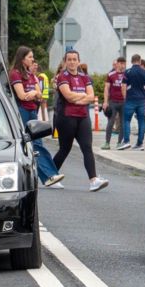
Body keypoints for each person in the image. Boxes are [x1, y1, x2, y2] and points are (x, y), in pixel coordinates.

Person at [10, 47, 65, 188]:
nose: (32, 59)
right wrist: (33, 93)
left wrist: (34, 93)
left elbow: (39, 95)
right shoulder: (15, 74)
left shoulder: (31, 74)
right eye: (29, 57)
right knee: (31, 145)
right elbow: (22, 96)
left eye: (32, 56)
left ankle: (50, 176)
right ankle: (49, 176)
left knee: (37, 143)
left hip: (33, 111)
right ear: (22, 58)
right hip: (22, 112)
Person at [54, 50, 108, 191]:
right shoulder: (62, 76)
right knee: (65, 149)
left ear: (78, 61)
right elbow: (68, 96)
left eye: (74, 59)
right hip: (66, 118)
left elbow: (91, 97)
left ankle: (93, 180)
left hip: (83, 117)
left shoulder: (85, 77)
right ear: (65, 62)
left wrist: (78, 98)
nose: (72, 62)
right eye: (69, 59)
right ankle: (50, 175)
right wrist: (82, 95)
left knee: (87, 147)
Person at [119, 54, 145, 150]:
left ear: (131, 61)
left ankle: (126, 141)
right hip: (141, 100)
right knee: (141, 121)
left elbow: (123, 86)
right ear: (140, 61)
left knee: (126, 120)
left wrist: (125, 97)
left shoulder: (127, 72)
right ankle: (139, 144)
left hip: (130, 99)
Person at [101, 57, 126, 150]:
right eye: (121, 63)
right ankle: (107, 143)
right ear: (117, 64)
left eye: (124, 64)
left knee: (123, 123)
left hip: (124, 102)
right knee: (111, 122)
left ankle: (119, 143)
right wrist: (105, 102)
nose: (123, 66)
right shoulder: (111, 75)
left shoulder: (127, 75)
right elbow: (106, 88)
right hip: (113, 102)